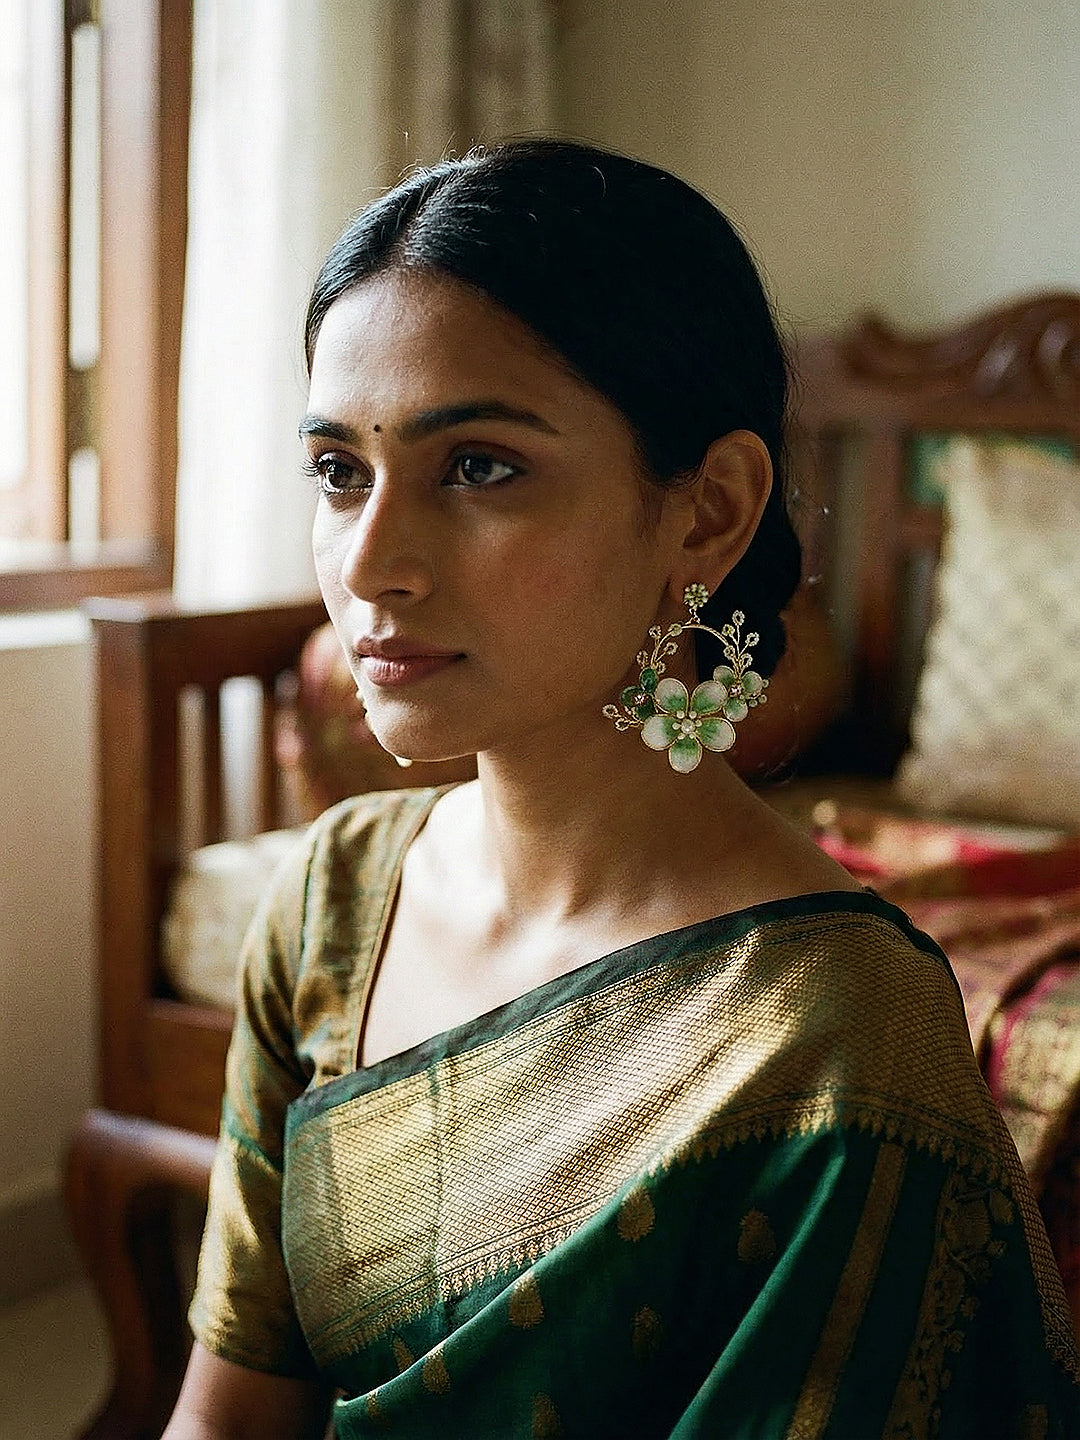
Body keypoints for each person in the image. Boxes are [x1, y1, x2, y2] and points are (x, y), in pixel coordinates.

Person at [163, 139, 1080, 1439]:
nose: (373, 562)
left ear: (708, 513)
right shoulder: (335, 898)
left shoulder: (832, 1038)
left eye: (478, 465)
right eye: (337, 471)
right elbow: (225, 1415)